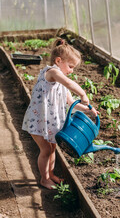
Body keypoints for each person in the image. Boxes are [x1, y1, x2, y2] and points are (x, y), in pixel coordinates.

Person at [22, 38, 99, 189]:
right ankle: (44, 179)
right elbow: (70, 83)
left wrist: (88, 109)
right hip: (38, 120)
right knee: (45, 149)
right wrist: (83, 94)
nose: (72, 71)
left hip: (50, 121)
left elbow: (71, 103)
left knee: (52, 148)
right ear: (58, 61)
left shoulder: (61, 82)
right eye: (70, 66)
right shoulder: (52, 72)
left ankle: (50, 175)